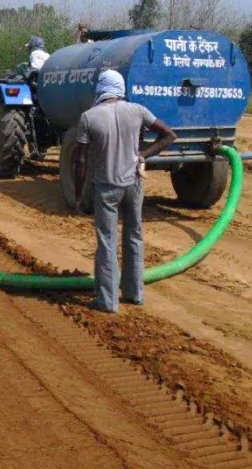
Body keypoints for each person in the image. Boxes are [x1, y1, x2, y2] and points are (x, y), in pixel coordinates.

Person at [74, 69, 176, 313]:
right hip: (133, 185)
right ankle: (135, 293)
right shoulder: (138, 110)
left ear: (100, 89)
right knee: (134, 236)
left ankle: (108, 302)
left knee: (107, 241)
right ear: (121, 89)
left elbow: (81, 162)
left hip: (106, 188)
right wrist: (143, 155)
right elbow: (170, 135)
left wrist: (79, 195)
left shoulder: (89, 117)